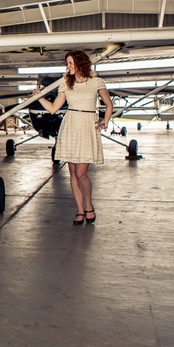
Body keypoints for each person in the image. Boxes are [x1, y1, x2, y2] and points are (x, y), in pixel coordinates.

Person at [33, 50, 114, 225]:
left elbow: (109, 104)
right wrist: (39, 97)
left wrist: (105, 122)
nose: (67, 66)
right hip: (70, 124)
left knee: (81, 173)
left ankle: (89, 206)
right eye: (67, 63)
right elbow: (54, 108)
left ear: (80, 63)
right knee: (72, 173)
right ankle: (79, 210)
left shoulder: (96, 81)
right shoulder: (66, 82)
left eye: (70, 63)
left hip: (87, 125)